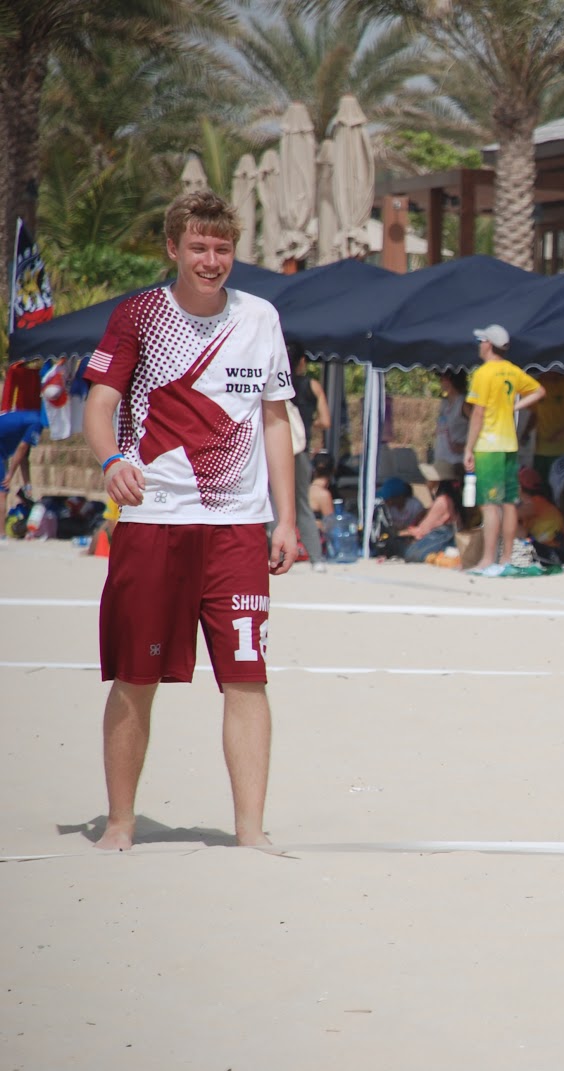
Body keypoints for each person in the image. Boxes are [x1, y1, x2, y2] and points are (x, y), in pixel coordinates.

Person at [82, 190, 296, 851]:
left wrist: (286, 519)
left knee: (246, 675)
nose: (211, 259)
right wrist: (112, 457)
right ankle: (121, 822)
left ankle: (251, 831)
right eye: (198, 247)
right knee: (137, 676)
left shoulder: (261, 317)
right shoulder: (140, 314)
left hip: (237, 527)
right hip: (153, 520)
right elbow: (101, 402)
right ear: (172, 249)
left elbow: (275, 419)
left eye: (222, 248)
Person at [463, 324, 544, 577]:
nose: (479, 345)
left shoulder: (483, 373)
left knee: (489, 504)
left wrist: (468, 447)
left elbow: (477, 413)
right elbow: (539, 391)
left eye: (481, 341)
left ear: (488, 344)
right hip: (510, 444)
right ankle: (505, 559)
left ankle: (488, 560)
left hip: (489, 445)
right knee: (509, 503)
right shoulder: (512, 371)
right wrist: (515, 408)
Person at [289, 343, 330, 572]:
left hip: (273, 449)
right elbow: (326, 421)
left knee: (273, 502)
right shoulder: (311, 385)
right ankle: (317, 558)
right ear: (302, 361)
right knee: (302, 503)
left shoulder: (274, 383)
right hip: (300, 449)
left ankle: (275, 553)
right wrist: (308, 424)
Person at [401, 461, 464, 563]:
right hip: (448, 535)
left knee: (406, 551)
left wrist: (408, 531)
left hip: (441, 536)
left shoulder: (442, 501)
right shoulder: (451, 498)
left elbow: (423, 529)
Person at [0, 406, 45, 517]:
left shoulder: (31, 417)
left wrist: (27, 486)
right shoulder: (37, 422)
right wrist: (10, 474)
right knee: (2, 492)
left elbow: (23, 457)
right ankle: (2, 533)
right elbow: (22, 447)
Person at [432, 370, 470, 468]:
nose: (440, 382)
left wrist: (465, 447)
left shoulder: (464, 404)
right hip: (441, 461)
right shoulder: (444, 404)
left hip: (457, 464)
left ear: (452, 380)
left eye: (442, 378)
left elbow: (480, 427)